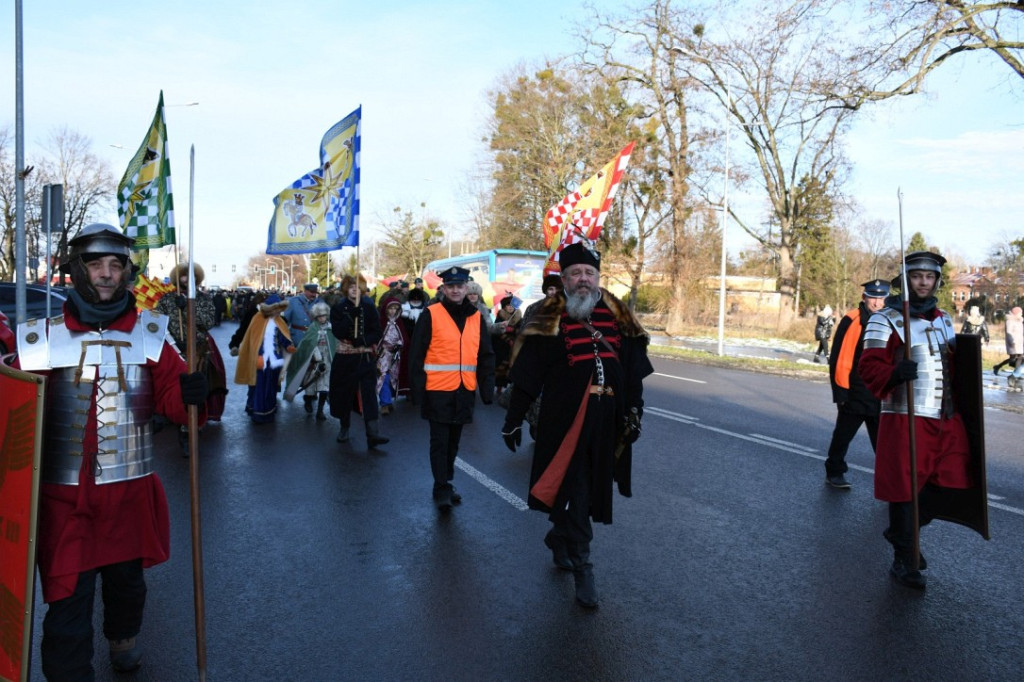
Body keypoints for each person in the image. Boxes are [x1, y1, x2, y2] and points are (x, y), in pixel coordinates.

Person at [14, 223, 208, 679]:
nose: (105, 274)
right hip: (65, 501)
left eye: (115, 265)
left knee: (127, 585)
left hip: (129, 494)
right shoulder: (38, 340)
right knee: (66, 607)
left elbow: (178, 409)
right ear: (76, 271)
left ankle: (123, 636)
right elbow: (15, 418)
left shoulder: (153, 336)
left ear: (127, 274)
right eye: (96, 264)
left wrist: (194, 394)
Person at [500, 241, 653, 608]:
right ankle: (584, 569)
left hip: (606, 421)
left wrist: (635, 410)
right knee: (577, 488)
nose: (583, 279)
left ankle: (559, 537)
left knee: (586, 490)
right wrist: (513, 420)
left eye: (589, 273)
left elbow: (633, 372)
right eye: (575, 274)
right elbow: (527, 374)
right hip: (563, 423)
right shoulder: (548, 316)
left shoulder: (619, 315)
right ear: (564, 280)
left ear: (597, 277)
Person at [859, 251, 977, 589]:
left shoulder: (944, 319)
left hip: (945, 417)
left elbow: (956, 369)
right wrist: (895, 372)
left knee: (955, 480)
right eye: (917, 276)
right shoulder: (886, 319)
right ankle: (905, 559)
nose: (923, 282)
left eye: (930, 276)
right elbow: (868, 367)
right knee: (905, 490)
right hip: (905, 416)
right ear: (906, 280)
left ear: (937, 281)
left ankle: (900, 532)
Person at [409, 266, 495, 511]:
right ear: (444, 288)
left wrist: (487, 388)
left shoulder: (476, 316)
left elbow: (486, 354)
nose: (456, 290)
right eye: (451, 286)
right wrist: (417, 391)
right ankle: (441, 487)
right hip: (437, 390)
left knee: (454, 441)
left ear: (466, 288)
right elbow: (417, 353)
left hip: (464, 390)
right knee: (440, 441)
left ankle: (446, 481)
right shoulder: (431, 313)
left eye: (460, 286)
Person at [824, 279, 890, 489]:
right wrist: (840, 392)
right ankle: (834, 472)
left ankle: (889, 480)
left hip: (881, 392)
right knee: (843, 437)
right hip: (855, 392)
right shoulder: (852, 319)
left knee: (884, 444)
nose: (877, 302)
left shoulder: (891, 319)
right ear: (865, 297)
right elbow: (838, 358)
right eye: (873, 297)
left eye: (881, 298)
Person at [154, 261, 228, 423]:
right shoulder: (167, 299)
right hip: (172, 348)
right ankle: (171, 413)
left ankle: (193, 423)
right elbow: (157, 321)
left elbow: (208, 322)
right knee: (173, 383)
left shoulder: (203, 299)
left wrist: (187, 307)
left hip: (197, 350)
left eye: (191, 275)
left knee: (194, 386)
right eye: (184, 275)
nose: (187, 278)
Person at [330, 274, 389, 448]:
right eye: (351, 287)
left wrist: (363, 340)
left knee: (369, 395)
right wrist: (350, 319)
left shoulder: (369, 306)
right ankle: (344, 428)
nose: (354, 289)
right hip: (345, 359)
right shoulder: (339, 307)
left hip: (364, 357)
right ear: (345, 289)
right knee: (344, 394)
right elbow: (337, 331)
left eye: (357, 287)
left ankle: (373, 434)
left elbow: (377, 331)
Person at [234, 294, 294, 424]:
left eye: (279, 309)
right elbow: (254, 341)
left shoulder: (280, 321)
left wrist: (288, 346)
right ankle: (259, 413)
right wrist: (258, 356)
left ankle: (269, 410)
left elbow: (283, 337)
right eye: (276, 309)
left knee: (272, 386)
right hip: (261, 360)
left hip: (275, 359)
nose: (278, 312)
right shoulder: (257, 319)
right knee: (259, 386)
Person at [283, 301, 336, 419]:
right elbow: (308, 344)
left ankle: (320, 411)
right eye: (319, 316)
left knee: (324, 386)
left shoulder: (331, 328)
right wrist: (316, 355)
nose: (322, 318)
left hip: (327, 360)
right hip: (313, 361)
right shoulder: (312, 327)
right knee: (310, 384)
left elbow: (334, 343)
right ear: (316, 317)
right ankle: (307, 400)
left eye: (324, 316)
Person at [376, 298, 409, 415]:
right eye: (391, 308)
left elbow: (404, 338)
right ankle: (384, 404)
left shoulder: (399, 323)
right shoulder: (381, 322)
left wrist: (400, 345)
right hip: (383, 354)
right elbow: (377, 339)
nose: (393, 311)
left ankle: (388, 400)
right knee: (382, 377)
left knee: (393, 378)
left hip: (396, 356)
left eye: (396, 308)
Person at [492, 293, 523, 393]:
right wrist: (506, 337)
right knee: (500, 366)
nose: (510, 308)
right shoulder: (500, 316)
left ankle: (508, 388)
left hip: (514, 346)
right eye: (508, 305)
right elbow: (496, 331)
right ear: (504, 307)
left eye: (512, 305)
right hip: (501, 346)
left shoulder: (519, 317)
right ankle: (498, 388)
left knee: (511, 367)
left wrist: (514, 331)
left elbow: (521, 330)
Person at [282, 283, 323, 347]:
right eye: (312, 292)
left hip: (314, 337)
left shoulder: (320, 302)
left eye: (315, 292)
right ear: (305, 291)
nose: (314, 295)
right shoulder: (293, 302)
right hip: (297, 337)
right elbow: (285, 321)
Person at [996, 305, 1023, 391]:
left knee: (1019, 359)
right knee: (1016, 359)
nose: (1021, 314)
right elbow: (1009, 333)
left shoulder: (1019, 321)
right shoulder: (1010, 321)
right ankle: (1014, 377)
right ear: (1016, 313)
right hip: (1014, 344)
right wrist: (1012, 342)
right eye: (1020, 313)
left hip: (1020, 344)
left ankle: (1014, 376)